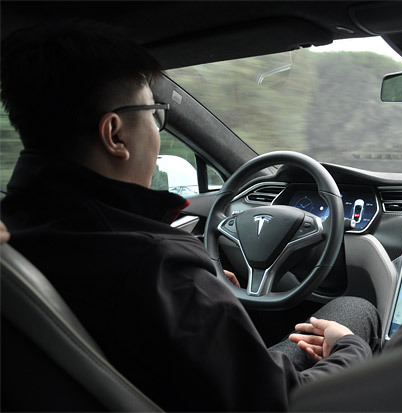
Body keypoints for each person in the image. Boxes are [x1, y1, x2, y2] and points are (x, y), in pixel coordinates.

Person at [0, 20, 380, 411]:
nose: (156, 129)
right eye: (153, 113)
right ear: (115, 135)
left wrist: (206, 290)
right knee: (355, 312)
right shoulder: (159, 267)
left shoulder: (13, 228)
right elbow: (280, 403)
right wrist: (350, 349)